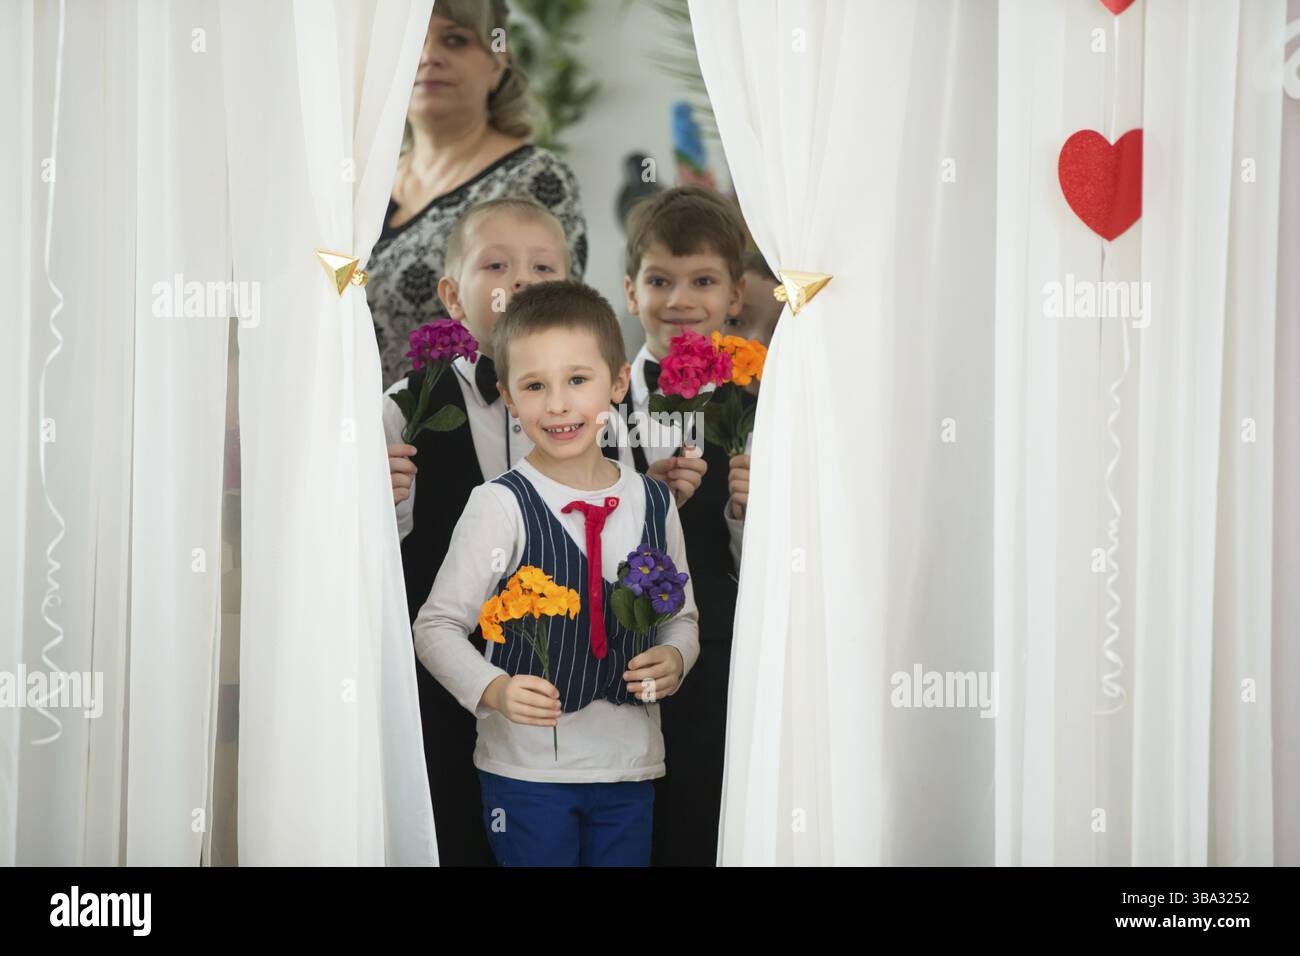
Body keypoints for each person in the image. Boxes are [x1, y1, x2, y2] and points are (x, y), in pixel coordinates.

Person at [383, 199, 705, 865]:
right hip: (520, 766)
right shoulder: (491, 497)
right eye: (533, 386)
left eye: (578, 380)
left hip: (631, 764)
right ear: (509, 394)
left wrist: (676, 656)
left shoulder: (651, 497)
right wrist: (494, 689)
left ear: (616, 382)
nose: (558, 403)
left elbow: (681, 616)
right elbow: (434, 623)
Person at [621, 185, 756, 866]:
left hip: (718, 653)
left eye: (703, 281)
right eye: (659, 281)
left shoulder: (761, 407)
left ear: (736, 295)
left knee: (700, 819)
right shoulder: (593, 399)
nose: (679, 300)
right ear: (630, 290)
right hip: (612, 654)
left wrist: (745, 513)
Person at [368, 0, 588, 388]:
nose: (429, 56)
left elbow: (546, 326)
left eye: (455, 40)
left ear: (496, 65)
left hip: (476, 419)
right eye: (414, 41)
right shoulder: (364, 181)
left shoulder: (534, 177)